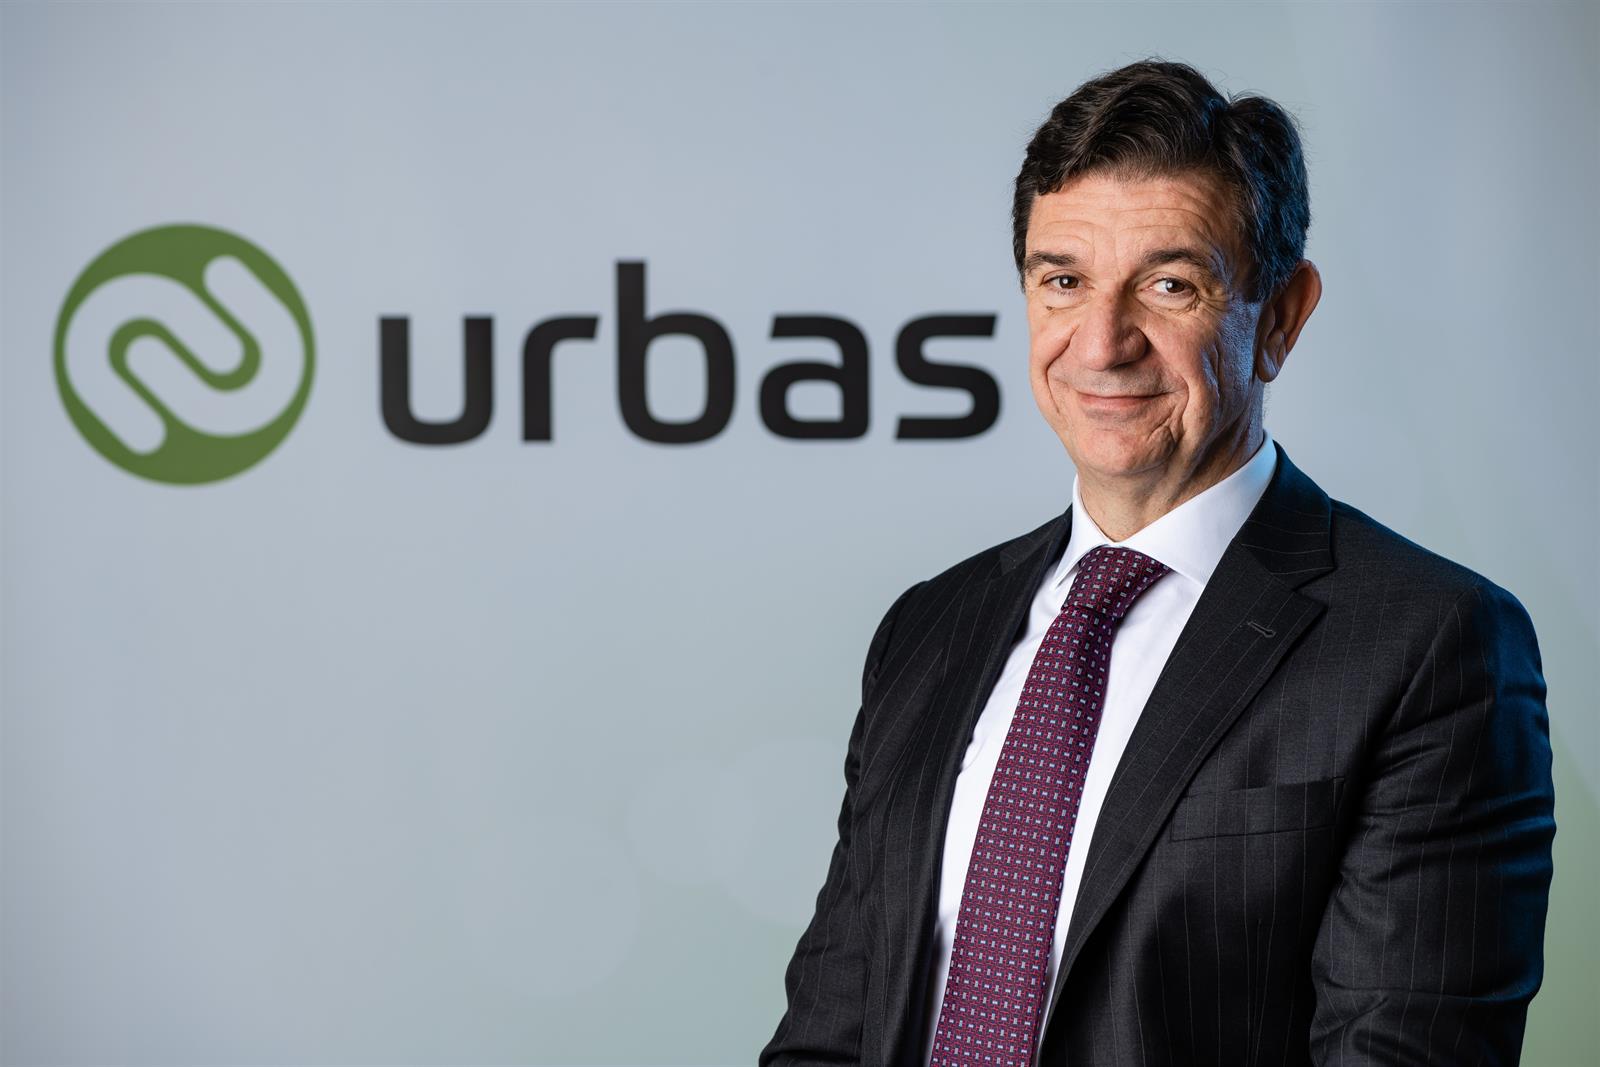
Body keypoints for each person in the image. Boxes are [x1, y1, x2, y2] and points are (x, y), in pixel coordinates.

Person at [759, 59, 1556, 1067]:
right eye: (1063, 281)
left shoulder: (1428, 644)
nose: (1101, 344)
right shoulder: (930, 627)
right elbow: (831, 1032)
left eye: (1169, 284)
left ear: (1279, 317)